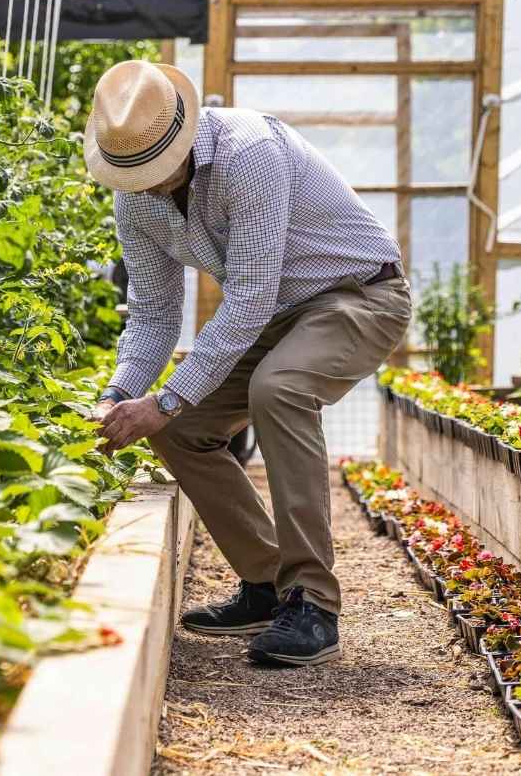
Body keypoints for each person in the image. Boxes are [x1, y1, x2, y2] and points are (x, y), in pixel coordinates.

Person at [84, 59, 411, 667]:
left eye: (155, 171)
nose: (147, 185)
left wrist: (166, 397)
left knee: (278, 388)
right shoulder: (136, 194)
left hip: (358, 294)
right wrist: (117, 396)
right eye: (135, 175)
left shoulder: (249, 153)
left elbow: (251, 293)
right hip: (275, 313)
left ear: (180, 139)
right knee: (181, 432)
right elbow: (154, 311)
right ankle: (266, 584)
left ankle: (314, 603)